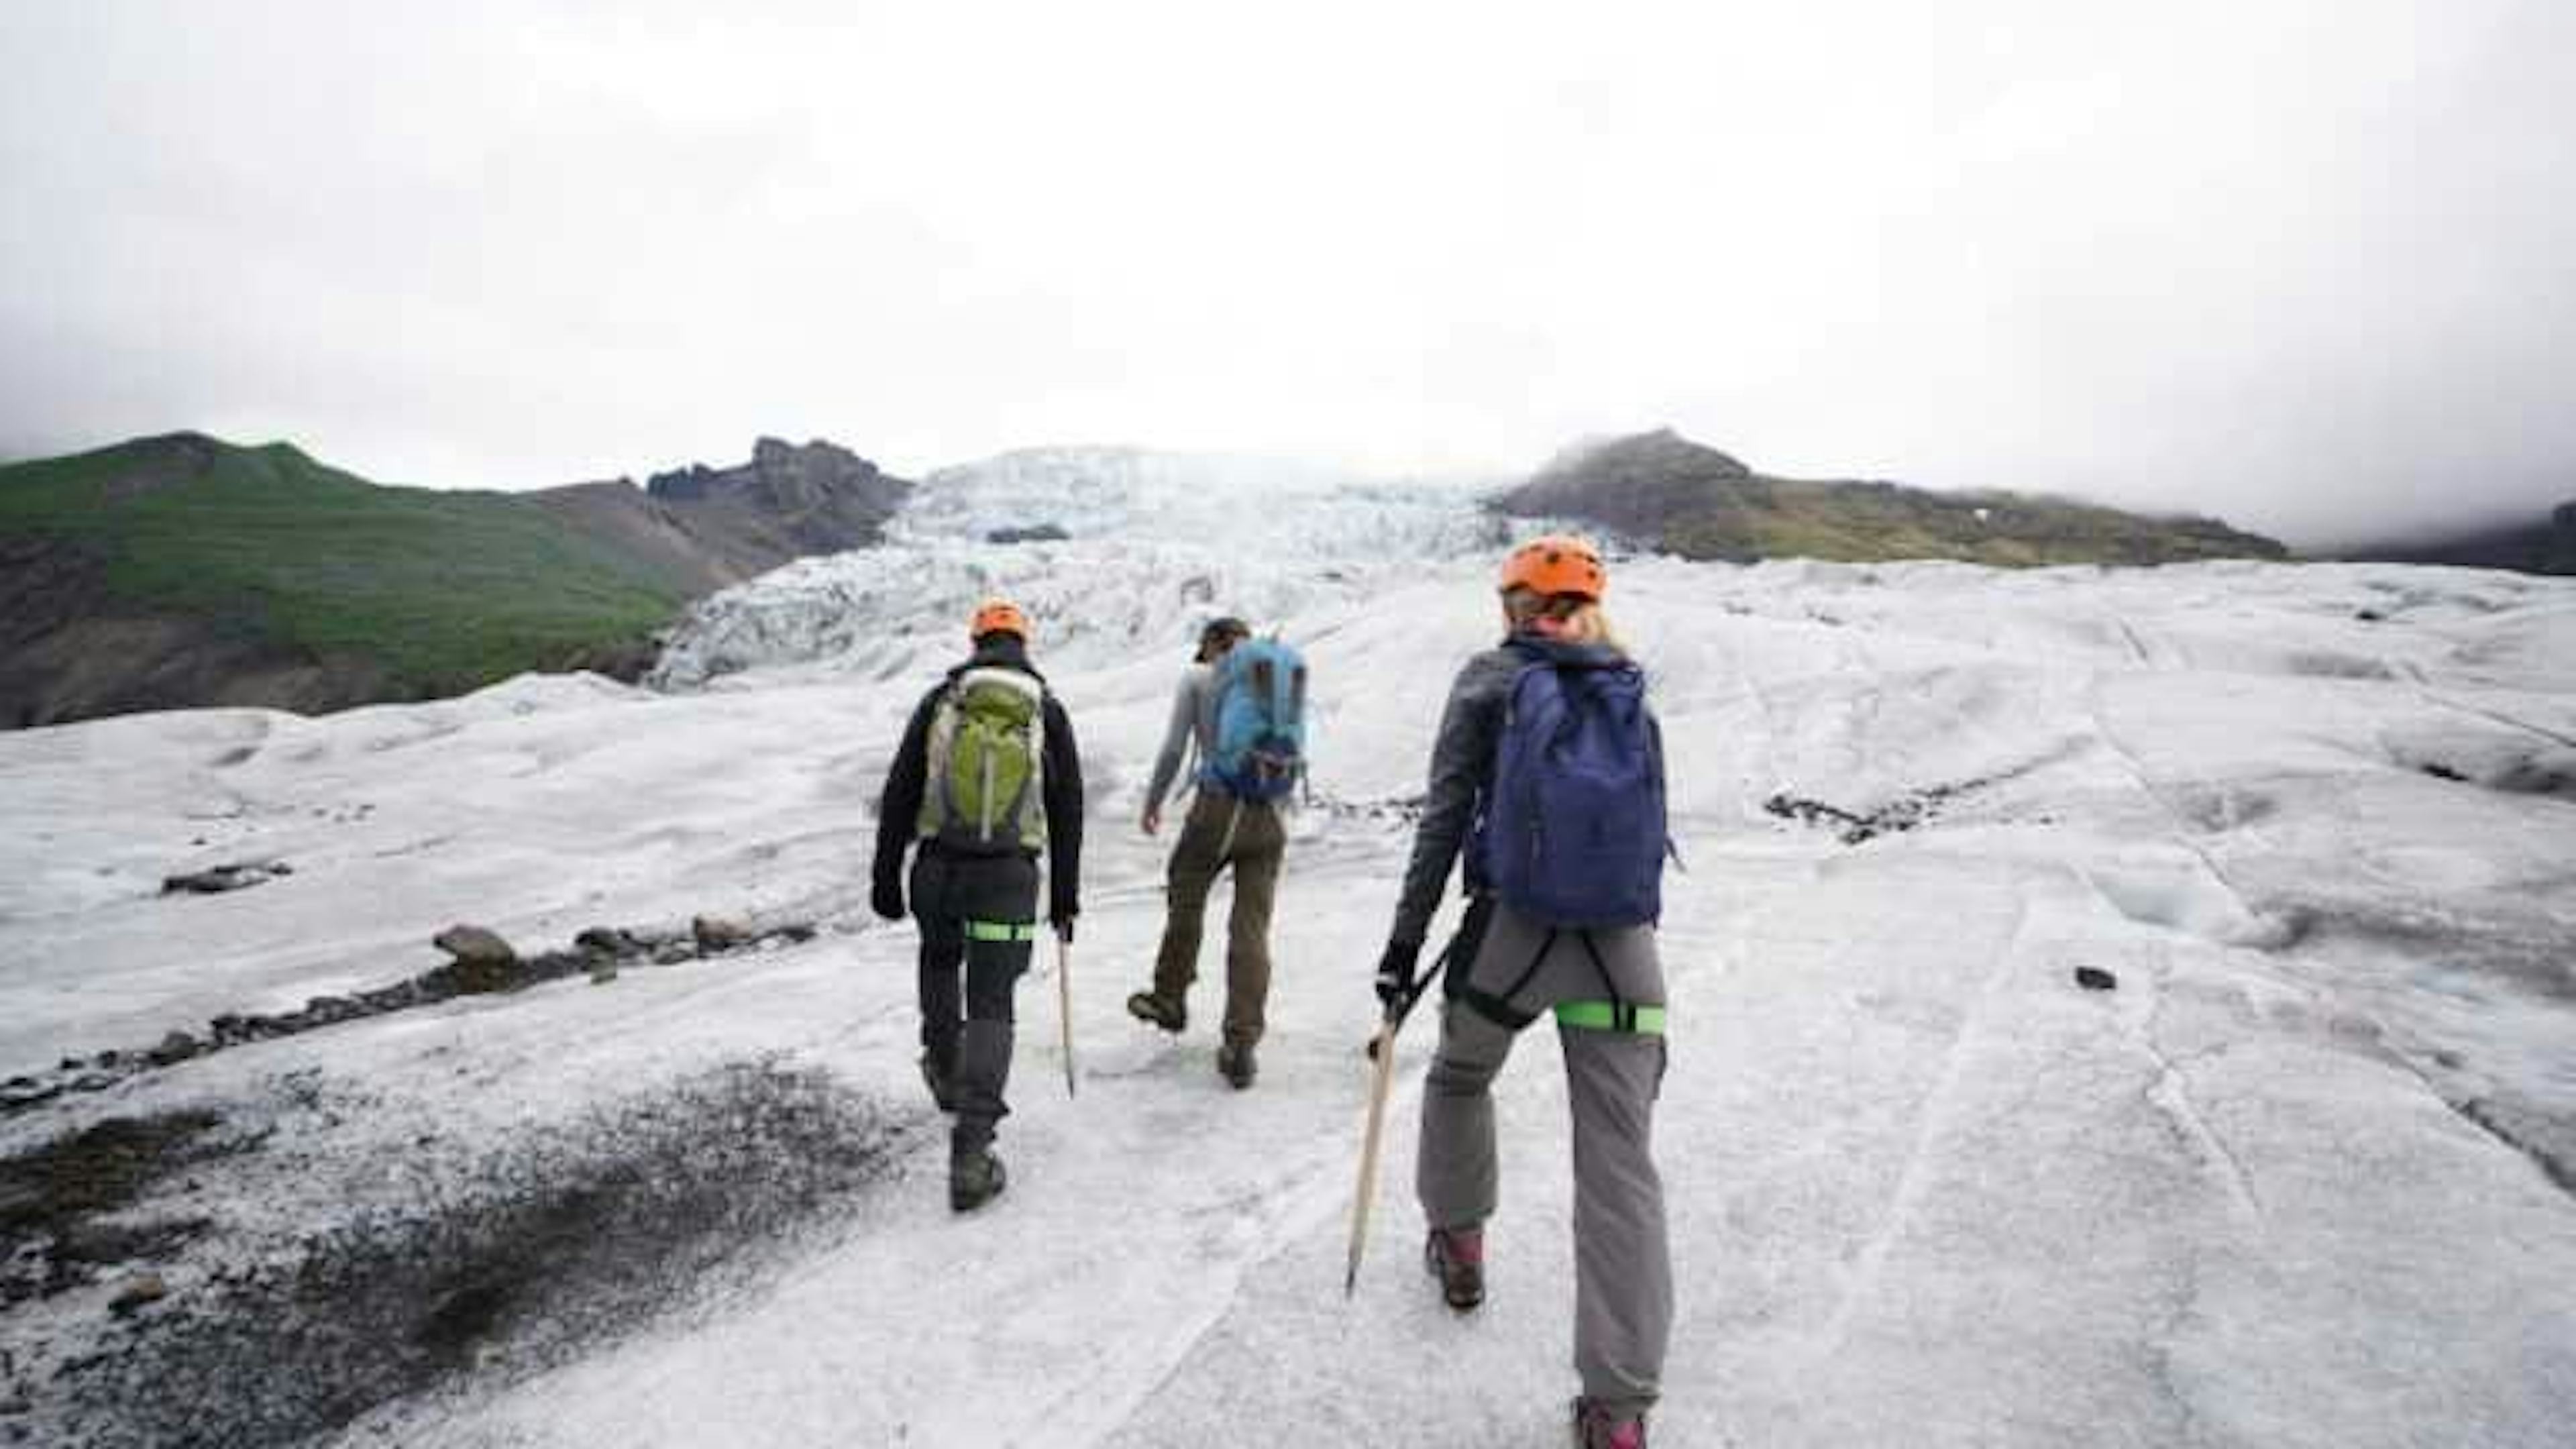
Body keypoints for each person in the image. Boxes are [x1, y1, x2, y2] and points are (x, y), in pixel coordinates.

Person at [1373, 537, 1672, 1449]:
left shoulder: (1487, 681)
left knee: (1461, 1076)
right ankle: (1618, 1413)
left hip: (1516, 939)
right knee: (1619, 1168)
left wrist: (1404, 948)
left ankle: (1460, 1245)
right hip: (1622, 958)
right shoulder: (1626, 685)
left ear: (1512, 606)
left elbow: (1441, 821)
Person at [873, 598, 1085, 1212]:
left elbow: (900, 789)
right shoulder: (1045, 710)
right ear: (1024, 644)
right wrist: (1064, 897)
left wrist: (886, 877)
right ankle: (971, 1154)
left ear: (976, 643)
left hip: (938, 870)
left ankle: (944, 1068)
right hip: (1008, 879)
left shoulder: (943, 701)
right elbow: (1068, 808)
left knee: (940, 960)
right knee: (992, 1002)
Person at [1124, 615, 1287, 1089]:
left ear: (1213, 645)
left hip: (1216, 809)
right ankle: (1242, 1043)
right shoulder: (1274, 680)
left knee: (1187, 892)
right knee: (1251, 927)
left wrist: (1153, 802)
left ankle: (1170, 997)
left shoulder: (1199, 679)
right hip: (1271, 817)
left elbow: (1174, 749)